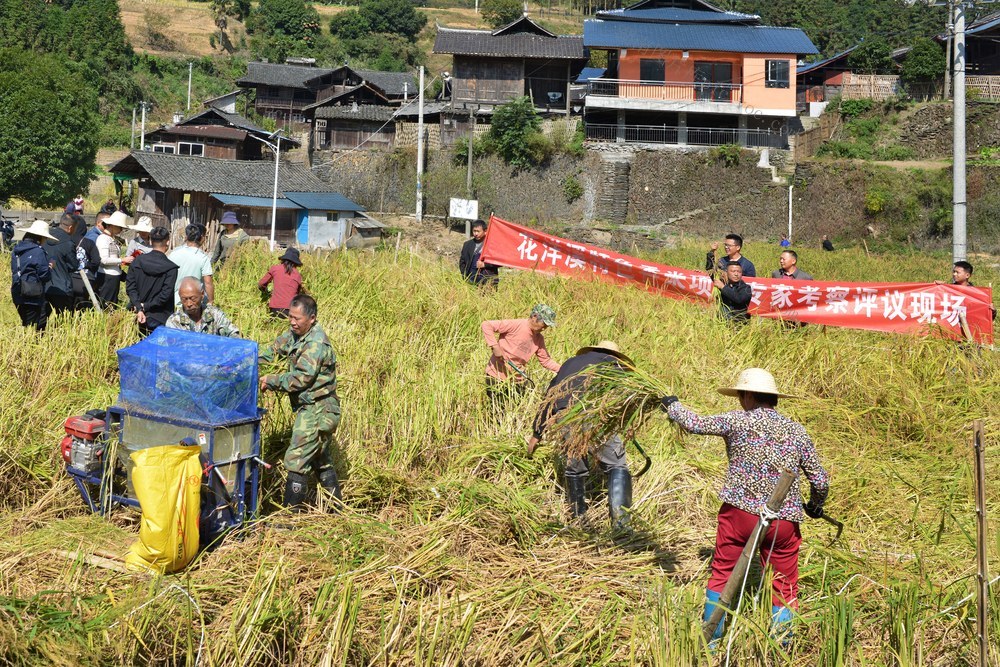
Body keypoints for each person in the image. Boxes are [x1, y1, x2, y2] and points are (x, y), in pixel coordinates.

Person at [659, 368, 829, 643]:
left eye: (740, 395)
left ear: (748, 395)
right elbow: (820, 480)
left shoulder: (737, 421)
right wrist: (815, 505)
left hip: (739, 514)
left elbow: (694, 423)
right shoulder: (796, 430)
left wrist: (672, 405)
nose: (740, 401)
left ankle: (711, 643)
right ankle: (782, 646)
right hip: (783, 522)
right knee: (784, 585)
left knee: (722, 574)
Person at [527, 341, 635, 529]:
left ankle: (579, 520)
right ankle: (621, 524)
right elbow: (624, 398)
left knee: (575, 468)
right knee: (617, 465)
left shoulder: (570, 363)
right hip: (593, 414)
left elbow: (550, 397)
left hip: (565, 417)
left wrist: (537, 433)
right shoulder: (612, 364)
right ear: (614, 355)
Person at [259, 294, 343, 509]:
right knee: (319, 459)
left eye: (297, 318)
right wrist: (249, 363)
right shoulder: (294, 334)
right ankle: (336, 509)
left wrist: (272, 380)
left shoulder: (315, 343)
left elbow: (302, 378)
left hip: (318, 409)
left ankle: (290, 516)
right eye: (290, 317)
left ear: (311, 318)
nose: (292, 322)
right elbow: (272, 353)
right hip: (313, 409)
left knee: (297, 459)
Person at [481, 304, 561, 397]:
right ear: (534, 317)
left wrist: (564, 369)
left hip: (517, 379)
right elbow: (486, 325)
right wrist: (495, 347)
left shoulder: (539, 339)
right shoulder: (516, 324)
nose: (544, 328)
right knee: (499, 404)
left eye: (547, 326)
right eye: (544, 324)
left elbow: (546, 361)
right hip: (496, 375)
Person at [126, 227, 179, 335]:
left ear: (150, 241)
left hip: (135, 314)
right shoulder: (170, 268)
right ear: (168, 242)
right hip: (160, 318)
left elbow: (130, 288)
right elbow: (165, 295)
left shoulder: (137, 261)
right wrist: (145, 306)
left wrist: (139, 307)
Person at [11, 220, 55, 330]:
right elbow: (44, 275)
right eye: (45, 238)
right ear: (40, 237)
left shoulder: (17, 249)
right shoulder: (38, 251)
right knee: (33, 326)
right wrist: (50, 267)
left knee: (26, 322)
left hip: (17, 290)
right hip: (32, 293)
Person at [165, 277, 240, 337]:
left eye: (193, 298)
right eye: (184, 299)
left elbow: (234, 336)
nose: (189, 304)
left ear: (202, 294)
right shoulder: (174, 322)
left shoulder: (215, 314)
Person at [168, 224, 214, 307]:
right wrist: (210, 302)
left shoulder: (174, 254)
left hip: (174, 300)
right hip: (194, 302)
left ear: (186, 237)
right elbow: (208, 283)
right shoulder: (203, 258)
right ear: (202, 237)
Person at [95, 210, 133, 307]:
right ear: (112, 225)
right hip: (107, 276)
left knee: (112, 303)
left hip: (114, 276)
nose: (121, 229)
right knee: (106, 304)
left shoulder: (111, 238)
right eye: (120, 227)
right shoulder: (103, 238)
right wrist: (122, 260)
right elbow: (103, 260)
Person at [44, 214, 80, 315]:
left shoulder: (45, 236)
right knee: (64, 317)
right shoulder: (68, 243)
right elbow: (73, 265)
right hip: (62, 287)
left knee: (42, 319)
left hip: (44, 285)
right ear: (71, 227)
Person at [259, 247, 303, 317]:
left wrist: (265, 291)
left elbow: (261, 284)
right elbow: (297, 293)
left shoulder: (275, 269)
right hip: (291, 310)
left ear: (283, 259)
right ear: (296, 263)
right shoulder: (298, 275)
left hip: (275, 307)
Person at [459, 219, 499, 286]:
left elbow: (499, 261)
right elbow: (462, 262)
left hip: (489, 282)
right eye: (474, 231)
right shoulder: (467, 245)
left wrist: (485, 264)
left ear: (485, 231)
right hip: (471, 280)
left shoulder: (492, 245)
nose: (476, 234)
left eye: (478, 231)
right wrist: (465, 276)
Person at [72, 221, 102, 310]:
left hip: (70, 278)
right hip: (86, 280)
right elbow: (96, 261)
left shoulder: (67, 240)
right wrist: (87, 265)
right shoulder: (89, 242)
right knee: (82, 306)